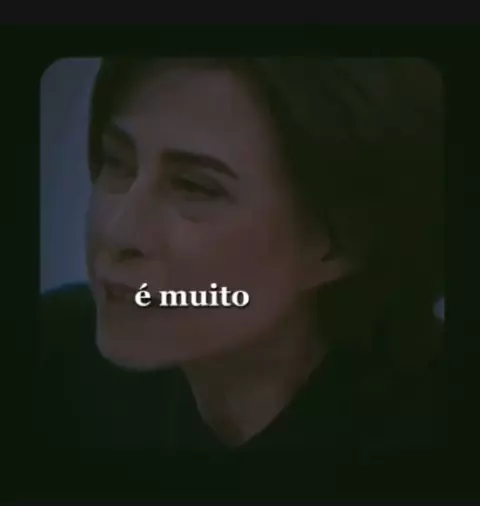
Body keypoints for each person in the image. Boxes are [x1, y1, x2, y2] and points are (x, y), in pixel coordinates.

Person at [35, 57, 445, 496]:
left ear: (339, 244)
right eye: (118, 162)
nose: (116, 232)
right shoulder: (50, 356)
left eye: (193, 187)